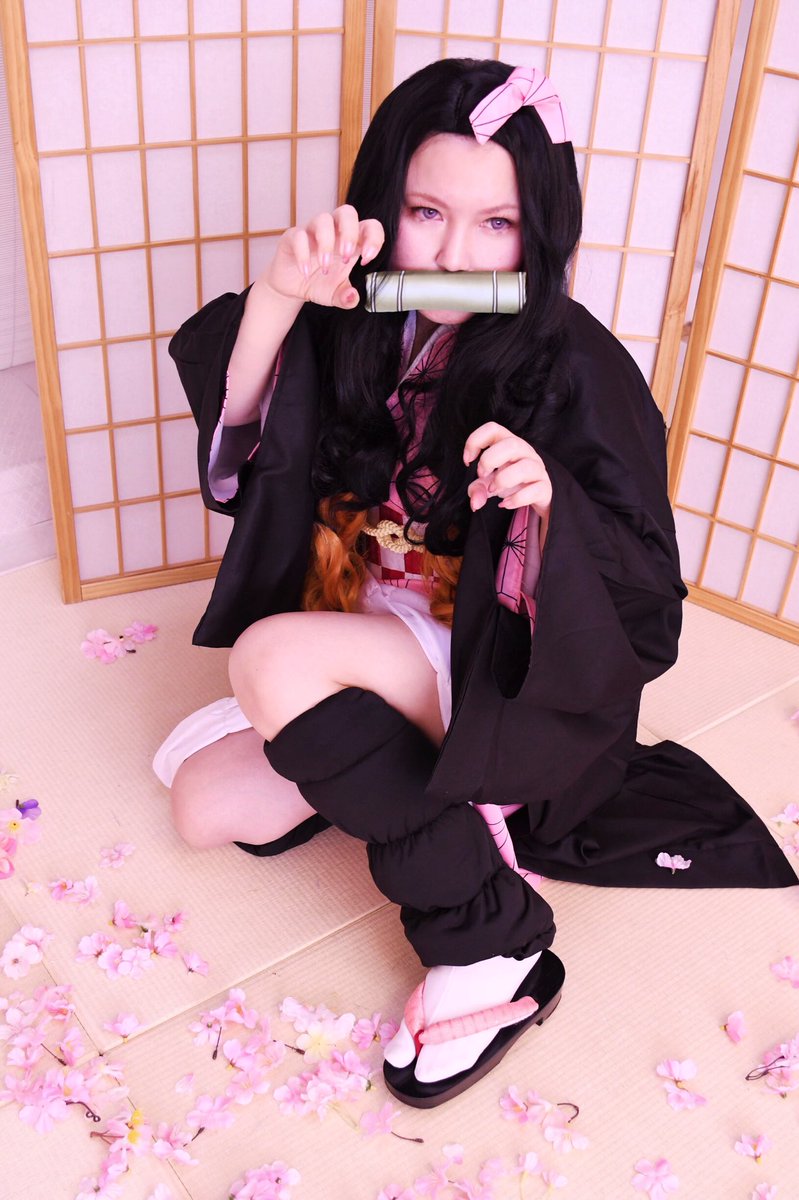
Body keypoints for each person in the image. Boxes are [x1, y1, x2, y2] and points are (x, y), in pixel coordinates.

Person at [153, 59, 796, 1108]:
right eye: (426, 213)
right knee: (205, 806)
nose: (454, 255)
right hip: (367, 632)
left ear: (537, 233)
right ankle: (364, 755)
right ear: (383, 206)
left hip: (493, 668)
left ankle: (490, 935)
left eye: (495, 225)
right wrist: (276, 298)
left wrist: (547, 507)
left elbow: (639, 588)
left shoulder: (578, 362)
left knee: (270, 659)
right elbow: (254, 457)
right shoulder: (355, 314)